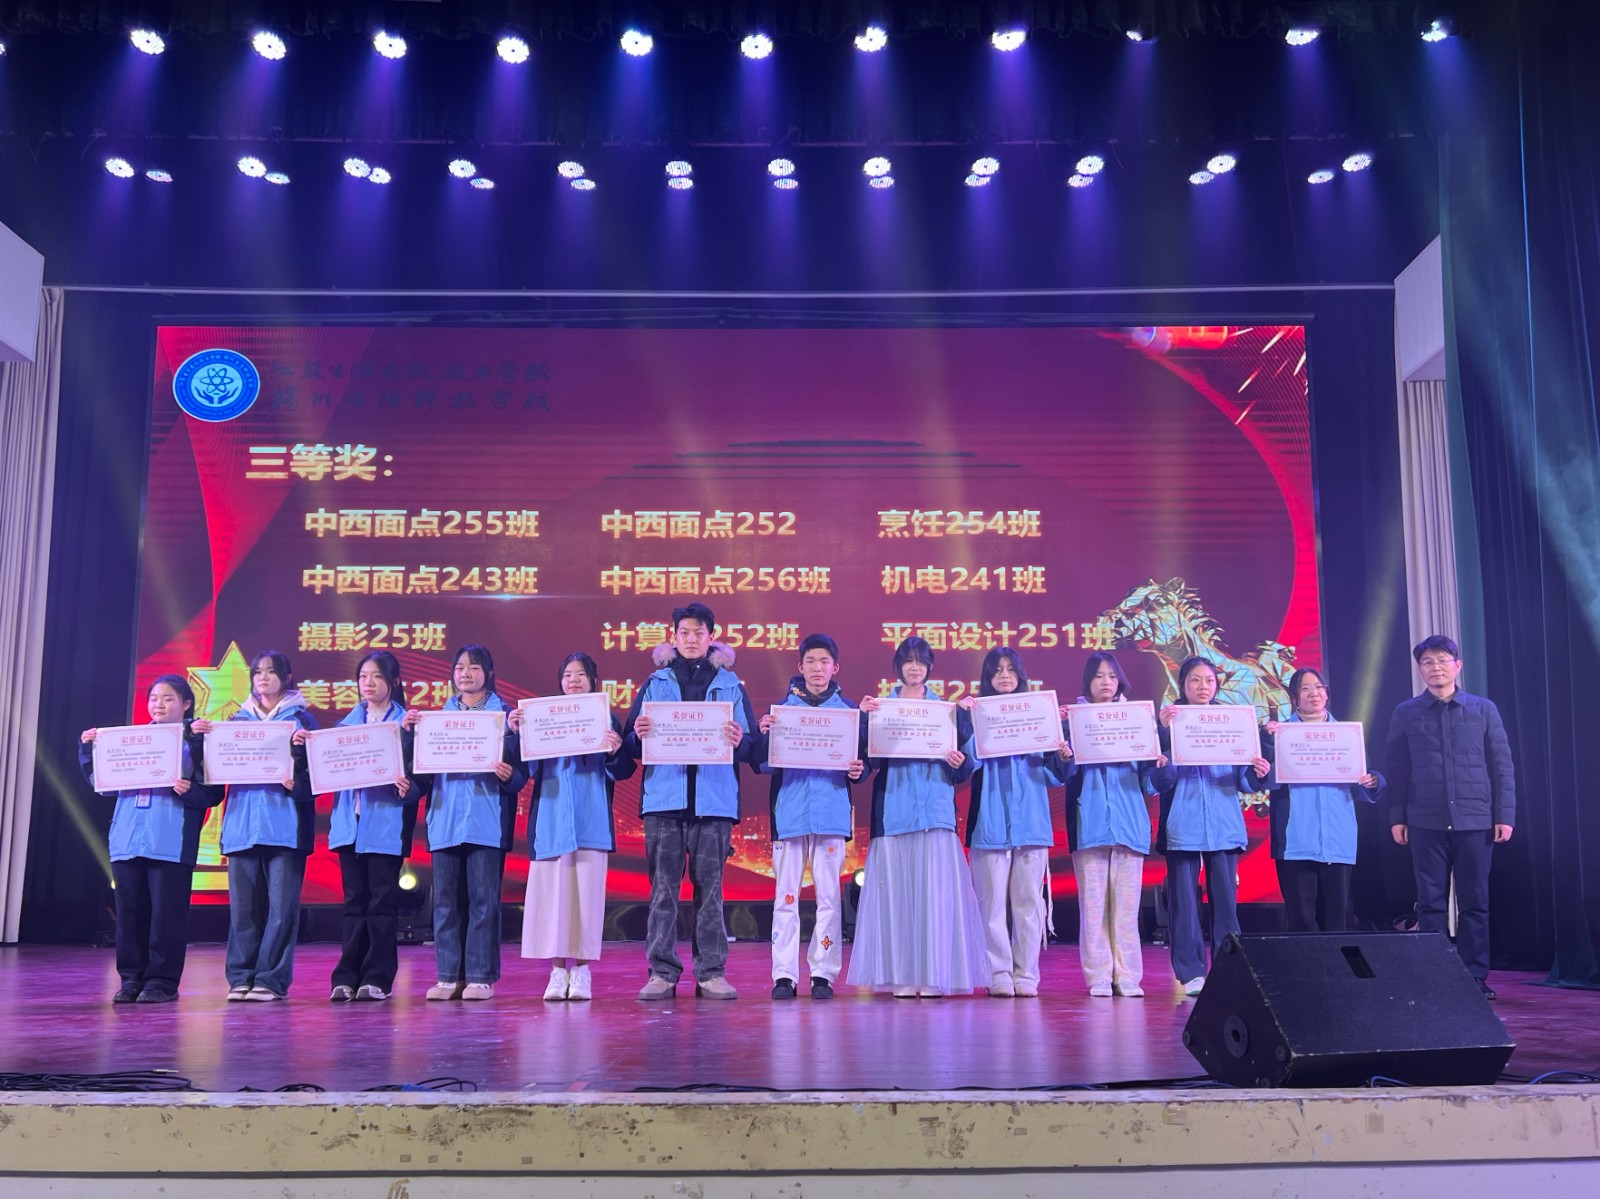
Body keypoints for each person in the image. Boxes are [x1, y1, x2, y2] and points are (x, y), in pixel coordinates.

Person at [623, 602, 757, 1000]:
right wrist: (638, 735)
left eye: (699, 632)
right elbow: (630, 743)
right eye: (685, 632)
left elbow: (752, 746)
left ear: (711, 636)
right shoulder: (654, 683)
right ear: (674, 636)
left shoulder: (731, 685)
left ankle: (710, 972)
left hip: (714, 802)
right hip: (665, 800)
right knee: (663, 892)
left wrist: (740, 740)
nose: (692, 639)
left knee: (710, 892)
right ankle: (661, 973)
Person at [847, 636, 989, 997]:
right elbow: (866, 762)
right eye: (909, 661)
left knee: (934, 900)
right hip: (893, 812)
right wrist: (862, 720)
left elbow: (964, 767)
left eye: (921, 661)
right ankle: (903, 976)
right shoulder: (882, 708)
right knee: (897, 901)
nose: (915, 667)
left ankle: (933, 975)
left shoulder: (946, 711)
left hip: (935, 814)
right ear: (898, 667)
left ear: (929, 667)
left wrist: (959, 762)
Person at [78, 675, 223, 1003]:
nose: (159, 704)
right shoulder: (129, 742)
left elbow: (213, 794)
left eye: (168, 698)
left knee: (167, 916)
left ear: (186, 703)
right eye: (154, 698)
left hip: (170, 839)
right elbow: (101, 784)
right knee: (129, 914)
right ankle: (131, 978)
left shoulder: (197, 741)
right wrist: (88, 748)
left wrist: (189, 790)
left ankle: (162, 981)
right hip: (128, 837)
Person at [1386, 634, 1515, 998]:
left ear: (1458, 665)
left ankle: (1475, 977)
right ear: (1420, 670)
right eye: (1427, 662)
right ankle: (1434, 977)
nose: (1435, 667)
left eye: (1442, 660)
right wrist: (1397, 817)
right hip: (1424, 820)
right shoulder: (1406, 712)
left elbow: (1502, 766)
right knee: (1430, 903)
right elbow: (1396, 769)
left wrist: (1505, 814)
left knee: (1475, 902)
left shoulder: (1483, 709)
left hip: (1476, 820)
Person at [513, 651, 636, 1002]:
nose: (574, 680)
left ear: (593, 680)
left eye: (581, 674)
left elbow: (624, 769)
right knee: (552, 899)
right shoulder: (543, 717)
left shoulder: (605, 717)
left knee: (585, 900)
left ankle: (581, 970)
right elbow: (525, 770)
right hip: (550, 822)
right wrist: (518, 733)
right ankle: (556, 971)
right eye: (568, 675)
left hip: (590, 822)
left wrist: (614, 751)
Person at [198, 650, 319, 1002]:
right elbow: (214, 772)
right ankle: (241, 977)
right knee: (244, 909)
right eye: (257, 672)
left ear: (287, 677)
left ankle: (271, 980)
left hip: (285, 827)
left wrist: (298, 768)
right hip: (241, 825)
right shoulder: (233, 722)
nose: (263, 678)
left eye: (271, 671)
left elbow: (318, 777)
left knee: (281, 910)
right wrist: (200, 739)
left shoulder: (302, 721)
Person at [410, 644, 527, 1001]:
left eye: (474, 667)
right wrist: (409, 737)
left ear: (488, 673)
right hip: (445, 820)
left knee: (483, 901)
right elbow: (421, 775)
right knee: (445, 902)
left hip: (486, 821)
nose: (465, 673)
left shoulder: (505, 718)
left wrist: (509, 775)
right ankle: (448, 976)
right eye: (460, 667)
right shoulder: (435, 721)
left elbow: (521, 776)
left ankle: (480, 976)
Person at [754, 633, 865, 1001]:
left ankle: (823, 973)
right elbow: (759, 762)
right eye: (811, 662)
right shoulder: (780, 713)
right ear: (800, 667)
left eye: (824, 662)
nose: (818, 668)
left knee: (829, 899)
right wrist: (763, 735)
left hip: (831, 815)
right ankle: (784, 975)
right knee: (786, 898)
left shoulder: (848, 713)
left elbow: (863, 763)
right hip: (789, 816)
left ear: (836, 668)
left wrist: (858, 771)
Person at [1152, 656, 1271, 996]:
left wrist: (1257, 773)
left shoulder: (1233, 723)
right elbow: (1156, 777)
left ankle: (1227, 968)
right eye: (1195, 680)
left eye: (1209, 681)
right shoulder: (1168, 721)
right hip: (1182, 823)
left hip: (1223, 823)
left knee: (1226, 902)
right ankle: (1191, 972)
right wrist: (1163, 732)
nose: (1203, 687)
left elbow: (1244, 780)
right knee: (1183, 904)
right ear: (1182, 685)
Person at [960, 647, 1069, 999]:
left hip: (1031, 823)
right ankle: (997, 972)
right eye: (997, 670)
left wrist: (1062, 755)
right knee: (990, 906)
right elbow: (968, 765)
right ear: (987, 677)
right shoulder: (979, 715)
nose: (1004, 676)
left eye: (1010, 669)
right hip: (989, 824)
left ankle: (1026, 974)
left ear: (1020, 675)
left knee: (1028, 905)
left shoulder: (1038, 715)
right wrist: (967, 722)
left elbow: (1053, 776)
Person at [1064, 651, 1161, 998]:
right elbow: (1063, 774)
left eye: (1111, 676)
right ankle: (1099, 976)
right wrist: (1064, 751)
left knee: (1125, 909)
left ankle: (1128, 975)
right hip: (1088, 823)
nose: (1106, 682)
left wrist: (1159, 766)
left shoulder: (1138, 721)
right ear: (1087, 682)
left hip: (1129, 824)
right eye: (1098, 676)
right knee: (1093, 908)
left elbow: (1149, 781)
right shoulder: (1073, 721)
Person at [322, 650, 417, 1002]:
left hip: (386, 825)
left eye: (376, 676)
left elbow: (420, 777)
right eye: (363, 677)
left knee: (381, 904)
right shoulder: (343, 728)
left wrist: (408, 784)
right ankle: (346, 976)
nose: (368, 683)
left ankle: (378, 977)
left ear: (393, 681)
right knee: (354, 903)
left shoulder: (409, 725)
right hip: (350, 824)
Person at [1265, 667, 1382, 934]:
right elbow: (1261, 780)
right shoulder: (1279, 735)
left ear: (1327, 693)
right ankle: (1305, 963)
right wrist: (1268, 744)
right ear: (1294, 697)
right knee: (1301, 921)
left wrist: (1373, 781)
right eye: (1305, 689)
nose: (1313, 693)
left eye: (1318, 687)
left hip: (1337, 836)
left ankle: (1336, 963)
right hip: (1295, 839)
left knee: (1338, 921)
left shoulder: (1347, 736)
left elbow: (1367, 776)